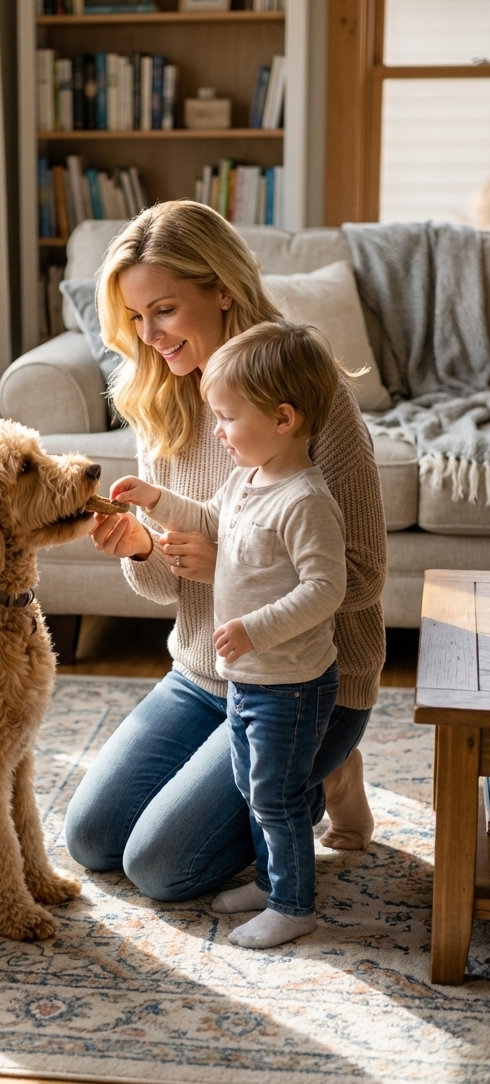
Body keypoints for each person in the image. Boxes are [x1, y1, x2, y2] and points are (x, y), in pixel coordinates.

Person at [63, 201, 387, 910]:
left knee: (161, 869)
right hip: (204, 674)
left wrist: (231, 565)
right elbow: (160, 590)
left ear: (221, 288)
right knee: (90, 840)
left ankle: (320, 771)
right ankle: (302, 778)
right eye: (136, 319)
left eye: (165, 310)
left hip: (303, 686)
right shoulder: (162, 401)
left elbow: (361, 574)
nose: (149, 337)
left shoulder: (305, 398)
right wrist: (145, 546)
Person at [112, 321, 347, 949]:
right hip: (248, 679)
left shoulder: (305, 501)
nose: (217, 431)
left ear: (284, 418)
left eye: (228, 418)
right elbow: (210, 519)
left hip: (290, 686)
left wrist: (253, 628)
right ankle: (274, 882)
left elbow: (327, 590)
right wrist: (156, 499)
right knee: (249, 786)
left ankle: (294, 905)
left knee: (276, 793)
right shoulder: (249, 477)